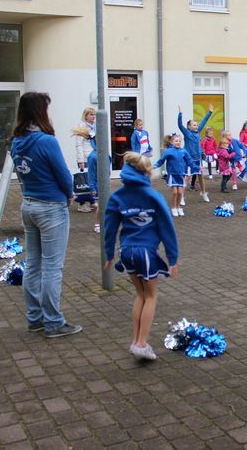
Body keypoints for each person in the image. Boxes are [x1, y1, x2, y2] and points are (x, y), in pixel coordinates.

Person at [10, 92, 81, 338]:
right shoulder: (46, 141)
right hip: (51, 208)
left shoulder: (16, 140)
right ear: (40, 111)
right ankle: (53, 322)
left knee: (33, 264)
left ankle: (35, 318)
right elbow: (63, 174)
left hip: (29, 204)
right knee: (52, 267)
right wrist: (69, 193)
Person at [104, 152, 179, 360]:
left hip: (126, 252)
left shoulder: (117, 196)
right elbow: (167, 228)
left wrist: (109, 254)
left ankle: (135, 341)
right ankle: (142, 343)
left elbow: (109, 229)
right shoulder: (153, 196)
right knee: (151, 296)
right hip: (145, 252)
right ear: (146, 173)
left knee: (140, 295)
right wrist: (173, 259)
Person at [178, 104, 213, 204]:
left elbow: (204, 121)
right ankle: (181, 196)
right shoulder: (187, 133)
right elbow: (180, 125)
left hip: (198, 159)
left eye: (197, 125)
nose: (196, 126)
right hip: (189, 159)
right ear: (189, 127)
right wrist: (180, 114)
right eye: (194, 125)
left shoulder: (198, 132)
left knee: (201, 176)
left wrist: (210, 112)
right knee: (187, 177)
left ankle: (204, 193)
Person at [153, 134, 194, 217]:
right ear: (172, 142)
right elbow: (161, 161)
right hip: (172, 175)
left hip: (181, 175)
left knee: (180, 193)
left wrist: (198, 168)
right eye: (176, 141)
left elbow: (190, 162)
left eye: (179, 141)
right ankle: (174, 208)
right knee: (175, 192)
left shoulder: (183, 151)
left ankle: (178, 208)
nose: (178, 142)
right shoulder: (168, 151)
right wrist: (154, 166)